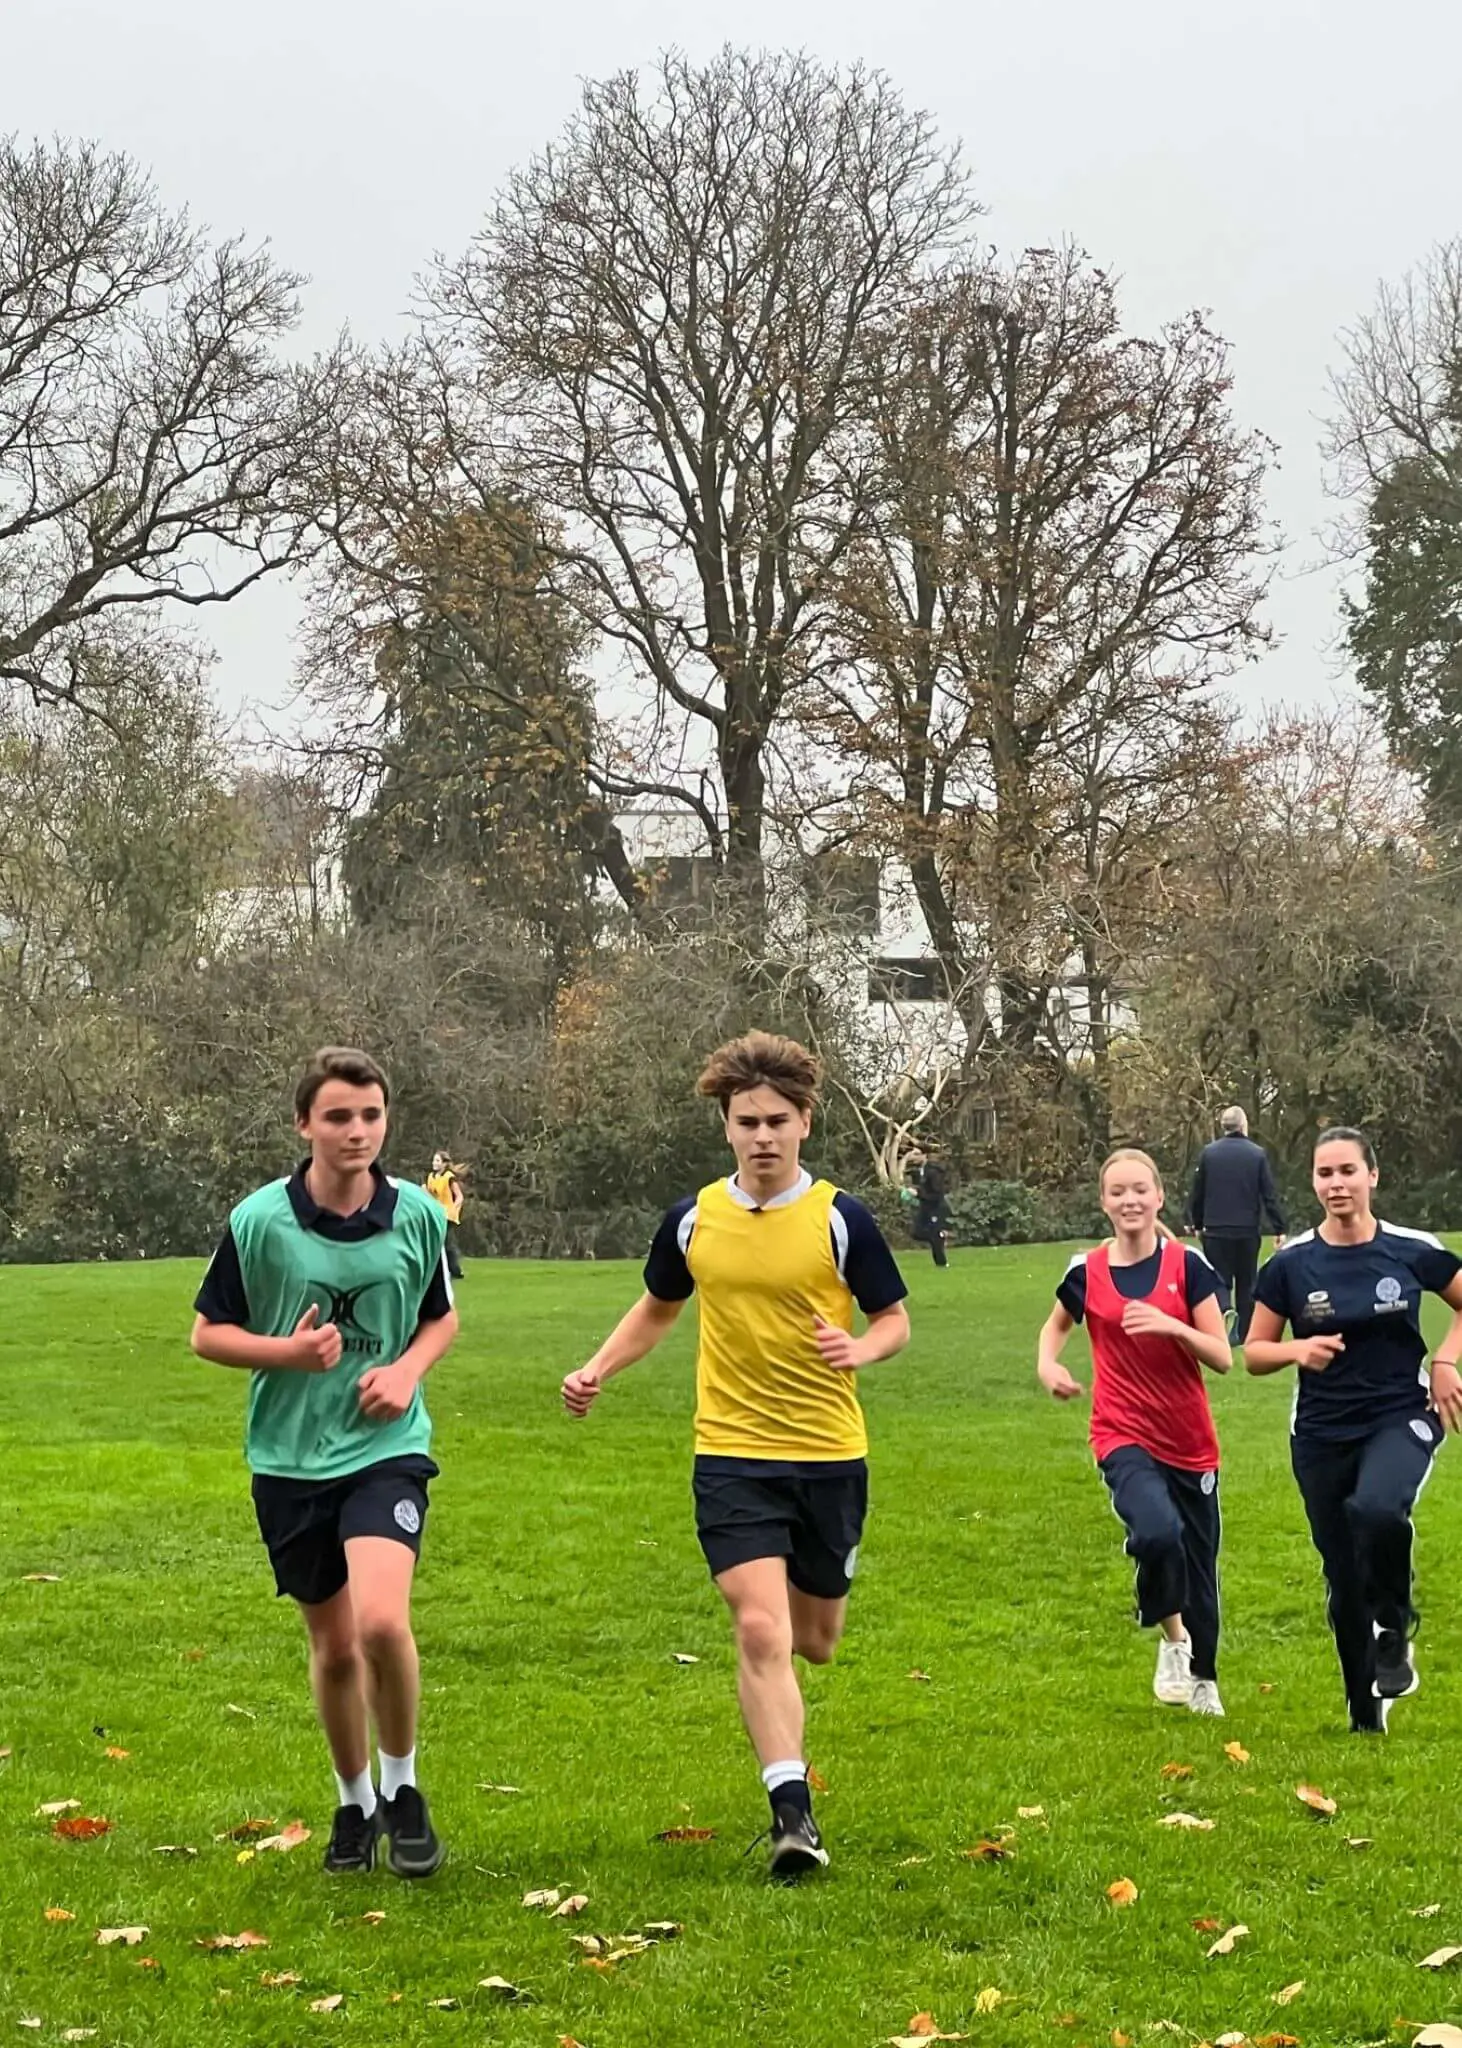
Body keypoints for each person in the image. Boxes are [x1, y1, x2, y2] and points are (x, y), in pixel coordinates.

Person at [561, 1031, 910, 1880]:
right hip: (731, 1451)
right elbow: (656, 1309)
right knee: (759, 1626)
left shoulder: (838, 1219)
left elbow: (894, 1319)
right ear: (726, 1127)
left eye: (777, 1121)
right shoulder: (692, 1220)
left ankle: (791, 1751)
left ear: (804, 1124)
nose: (762, 1136)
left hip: (829, 1453)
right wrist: (597, 1366)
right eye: (746, 1121)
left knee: (816, 1639)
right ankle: (793, 1814)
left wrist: (860, 1352)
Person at [191, 1046, 458, 1877]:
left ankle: (403, 1786)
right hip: (289, 1458)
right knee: (335, 1646)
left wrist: (405, 1371)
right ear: (304, 1123)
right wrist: (291, 1353)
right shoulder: (258, 1221)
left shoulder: (418, 1214)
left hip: (387, 1451)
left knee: (380, 1623)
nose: (357, 1131)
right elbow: (207, 1334)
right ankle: (354, 1804)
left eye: (371, 1115)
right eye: (338, 1116)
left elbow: (441, 1319)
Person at [1244, 1127, 1462, 1731]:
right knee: (1342, 1576)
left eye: (1347, 1171)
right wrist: (1296, 1351)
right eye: (1324, 1174)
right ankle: (1365, 1714)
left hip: (1401, 1412)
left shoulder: (1412, 1249)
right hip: (1319, 1433)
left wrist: (1444, 1361)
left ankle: (1393, 1625)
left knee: (1378, 1509)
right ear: (1313, 1182)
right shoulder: (1290, 1265)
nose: (1336, 1184)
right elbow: (1254, 1352)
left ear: (1373, 1176)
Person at [1036, 1149, 1232, 1715]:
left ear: (1159, 1197)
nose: (1130, 1201)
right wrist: (1049, 1365)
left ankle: (1205, 1680)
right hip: (1121, 1432)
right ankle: (1174, 1641)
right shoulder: (1086, 1272)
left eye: (1140, 1190)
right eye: (1118, 1191)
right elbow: (1055, 1329)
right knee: (1154, 1533)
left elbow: (1222, 1356)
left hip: (1190, 1441)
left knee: (1198, 1565)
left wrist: (1173, 1325)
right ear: (1104, 1202)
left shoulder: (1188, 1267)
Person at [1185, 1106, 1287, 1342]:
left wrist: (1195, 1222)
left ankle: (1221, 1318)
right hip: (1247, 1230)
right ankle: (1242, 1333)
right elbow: (1268, 1194)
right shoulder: (1257, 1154)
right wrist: (1279, 1227)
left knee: (1219, 1279)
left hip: (1215, 1229)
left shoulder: (1209, 1154)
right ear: (1243, 1125)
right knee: (1246, 1282)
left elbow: (1198, 1192)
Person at [906, 1149, 952, 1268]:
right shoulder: (921, 1171)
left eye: (916, 1154)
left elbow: (937, 1194)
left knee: (934, 1236)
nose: (912, 1157)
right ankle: (939, 1235)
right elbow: (926, 1189)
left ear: (924, 1155)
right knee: (916, 1233)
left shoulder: (933, 1172)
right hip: (925, 1207)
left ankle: (942, 1264)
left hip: (935, 1208)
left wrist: (918, 1194)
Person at [425, 1152, 466, 1280]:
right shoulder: (431, 1177)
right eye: (434, 1160)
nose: (434, 1163)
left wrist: (454, 1208)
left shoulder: (449, 1178)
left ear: (444, 1164)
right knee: (437, 1242)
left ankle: (455, 1271)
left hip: (447, 1215)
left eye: (437, 1161)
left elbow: (459, 1196)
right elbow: (431, 1195)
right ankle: (442, 1270)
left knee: (446, 1243)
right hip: (436, 1214)